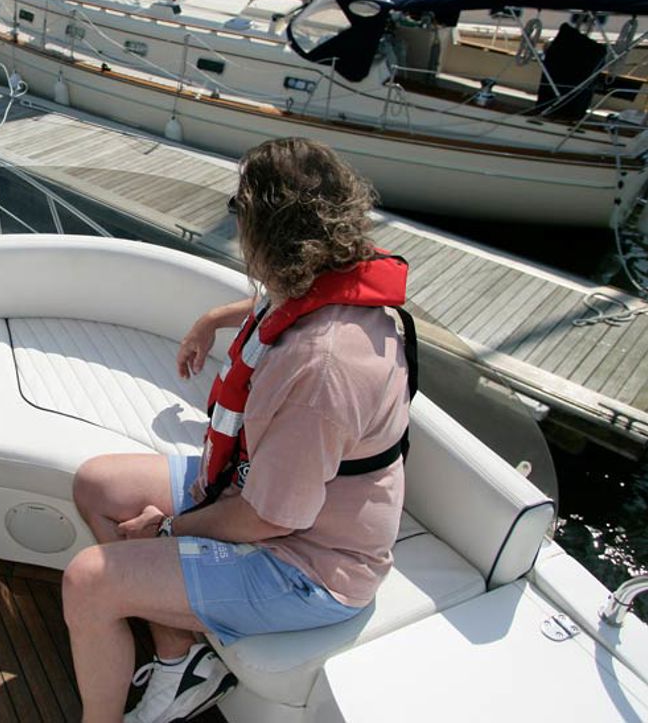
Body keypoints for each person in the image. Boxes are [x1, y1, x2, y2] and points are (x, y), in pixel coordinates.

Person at [63, 138, 414, 723]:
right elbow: (272, 310)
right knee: (96, 484)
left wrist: (169, 529)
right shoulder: (322, 276)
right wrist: (211, 320)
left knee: (88, 582)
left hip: (311, 566)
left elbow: (270, 519)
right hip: (254, 494)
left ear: (266, 235)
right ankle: (181, 661)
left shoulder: (324, 368)